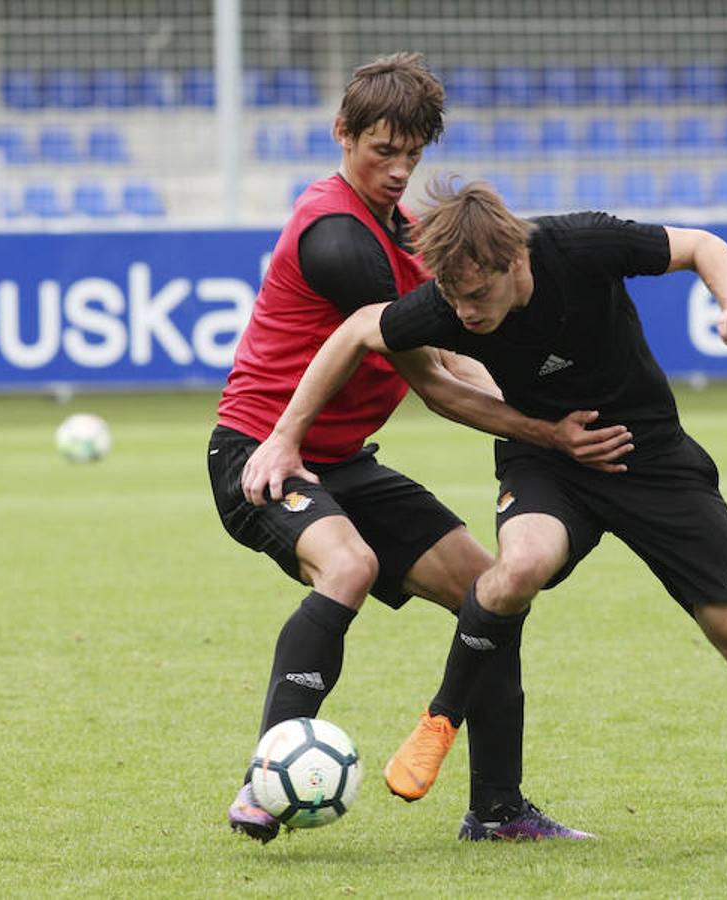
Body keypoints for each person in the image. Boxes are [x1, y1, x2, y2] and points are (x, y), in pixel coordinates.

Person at [268, 179, 727, 848]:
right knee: (519, 565)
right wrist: (284, 436)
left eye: (477, 296)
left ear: (515, 262)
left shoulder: (580, 243)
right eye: (452, 298)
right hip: (548, 460)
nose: (465, 314)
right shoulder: (452, 300)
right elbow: (361, 329)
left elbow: (703, 246)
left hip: (649, 456)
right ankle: (440, 719)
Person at [210, 53, 621, 845]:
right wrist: (547, 435)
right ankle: (264, 783)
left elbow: (462, 356)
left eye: (413, 155)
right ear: (342, 134)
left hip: (346, 460)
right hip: (260, 453)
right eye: (382, 151)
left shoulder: (404, 231)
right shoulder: (338, 239)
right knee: (350, 565)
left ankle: (498, 812)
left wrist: (533, 404)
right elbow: (434, 383)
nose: (398, 171)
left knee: (493, 589)